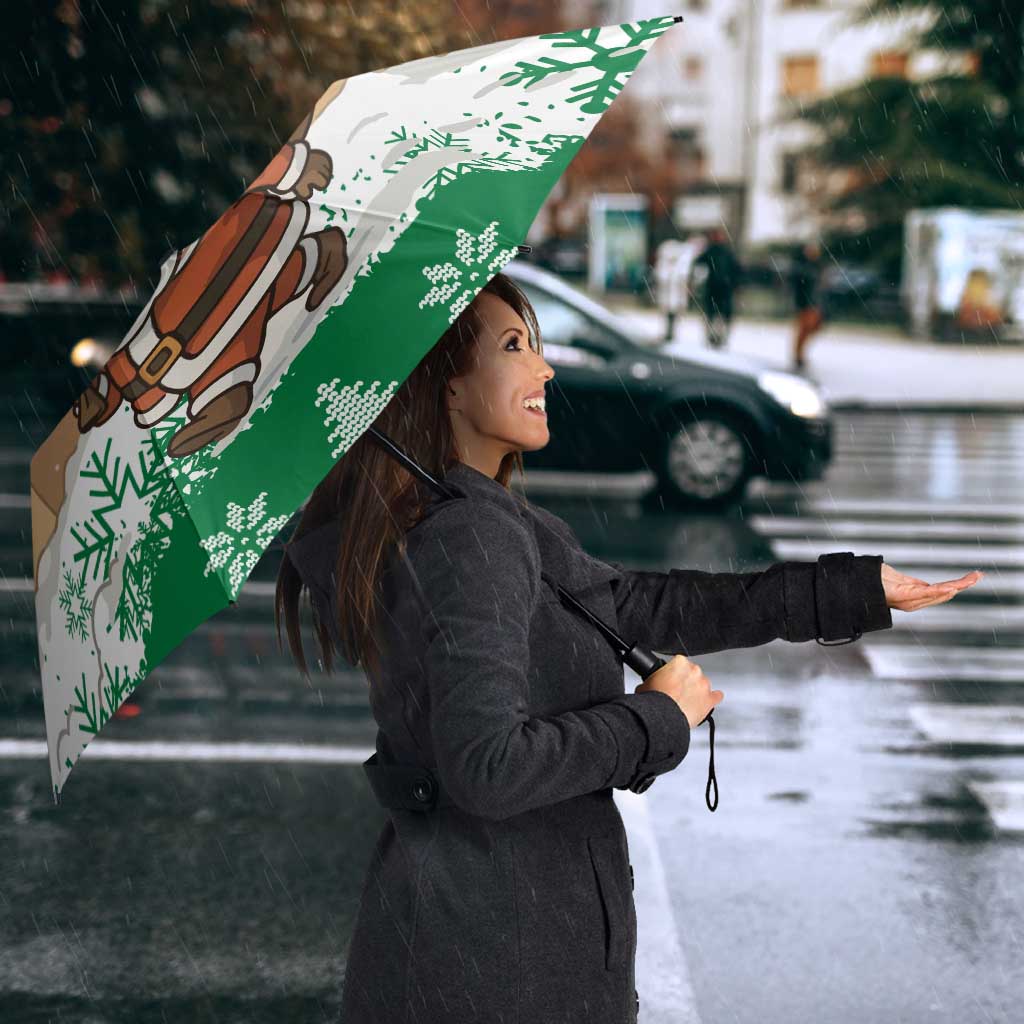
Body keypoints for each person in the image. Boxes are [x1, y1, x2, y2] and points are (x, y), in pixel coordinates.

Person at [275, 271, 975, 1024]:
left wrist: (849, 591)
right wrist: (657, 719)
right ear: (447, 385)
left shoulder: (471, 518)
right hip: (500, 962)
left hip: (476, 940)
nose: (544, 369)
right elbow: (487, 767)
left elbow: (639, 605)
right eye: (513, 347)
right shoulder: (471, 536)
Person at [692, 226, 742, 349]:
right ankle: (713, 337)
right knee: (714, 314)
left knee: (719, 315)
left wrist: (735, 284)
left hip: (722, 289)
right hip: (716, 288)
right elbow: (698, 263)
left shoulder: (724, 252)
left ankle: (719, 337)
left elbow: (736, 270)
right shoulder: (714, 251)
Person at [790, 239, 826, 371]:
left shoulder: (816, 266)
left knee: (812, 327)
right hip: (805, 303)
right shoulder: (802, 267)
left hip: (814, 303)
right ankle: (798, 355)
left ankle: (799, 354)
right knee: (804, 329)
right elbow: (799, 286)